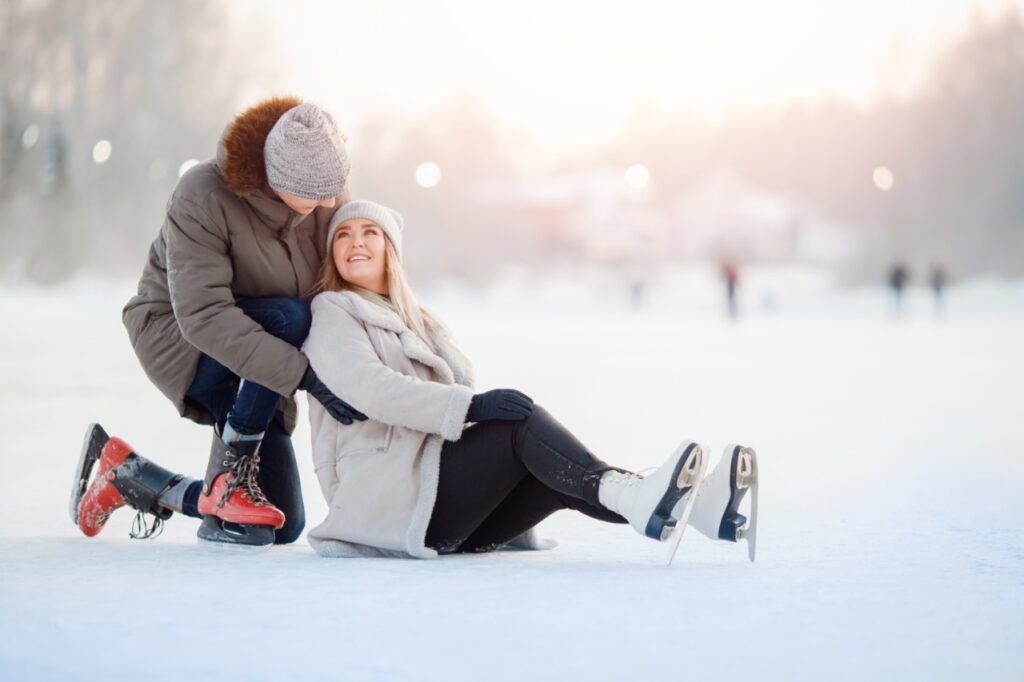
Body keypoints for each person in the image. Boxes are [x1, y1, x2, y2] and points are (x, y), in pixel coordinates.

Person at [301, 200, 759, 560]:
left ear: (390, 251)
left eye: (369, 233)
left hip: (438, 509)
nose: (355, 242)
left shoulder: (417, 321)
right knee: (519, 427)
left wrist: (468, 408)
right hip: (386, 506)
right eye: (343, 234)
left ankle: (695, 509)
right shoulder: (332, 311)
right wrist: (472, 407)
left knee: (554, 476)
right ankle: (651, 499)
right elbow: (371, 387)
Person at [71, 97, 367, 548]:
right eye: (317, 191)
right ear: (278, 178)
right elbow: (203, 315)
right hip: (181, 337)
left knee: (280, 525)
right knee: (290, 314)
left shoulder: (323, 196)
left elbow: (344, 287)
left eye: (334, 188)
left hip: (261, 359)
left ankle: (128, 475)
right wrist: (302, 375)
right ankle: (230, 478)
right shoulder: (202, 194)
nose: (330, 201)